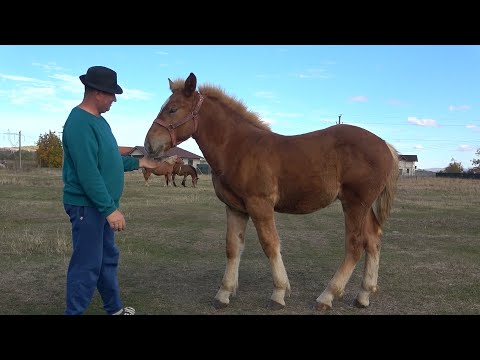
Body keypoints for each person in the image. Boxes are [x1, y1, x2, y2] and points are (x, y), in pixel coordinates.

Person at [62, 65, 161, 315]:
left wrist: (141, 162)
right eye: (111, 94)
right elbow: (88, 173)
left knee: (106, 261)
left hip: (100, 206)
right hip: (88, 207)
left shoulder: (100, 123)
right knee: (86, 266)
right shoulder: (79, 123)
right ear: (97, 92)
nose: (114, 99)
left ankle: (114, 309)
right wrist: (110, 210)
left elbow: (109, 162)